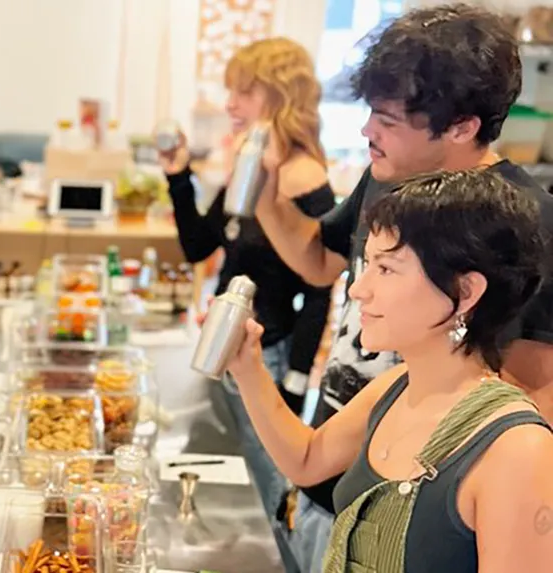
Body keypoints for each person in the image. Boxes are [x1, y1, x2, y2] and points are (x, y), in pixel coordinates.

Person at [246, 5, 553, 571]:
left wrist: (426, 500)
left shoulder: (523, 224)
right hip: (345, 473)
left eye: (387, 118)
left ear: (461, 125)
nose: (367, 131)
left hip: (423, 515)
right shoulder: (388, 177)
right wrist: (263, 195)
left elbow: (528, 401)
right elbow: (320, 263)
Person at [226, 169, 553, 571]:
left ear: (465, 292)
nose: (357, 289)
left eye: (386, 269)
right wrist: (248, 367)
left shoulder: (516, 447)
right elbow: (307, 460)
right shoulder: (397, 386)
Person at [160, 36, 334, 540]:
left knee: (265, 487)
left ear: (280, 94)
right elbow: (199, 247)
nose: (230, 104)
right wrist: (177, 177)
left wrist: (296, 381)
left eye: (244, 92)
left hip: (269, 356)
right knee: (228, 472)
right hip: (226, 343)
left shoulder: (303, 175)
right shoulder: (249, 164)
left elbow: (321, 287)